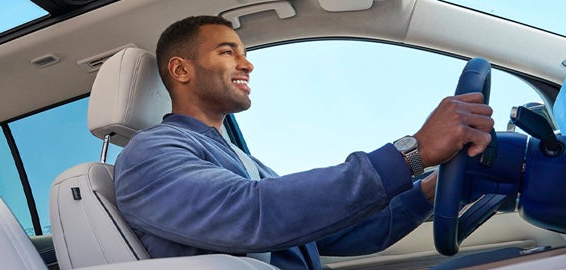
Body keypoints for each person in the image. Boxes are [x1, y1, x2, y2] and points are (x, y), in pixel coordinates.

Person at [114, 15, 494, 270]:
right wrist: (414, 151)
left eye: (245, 54)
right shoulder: (149, 155)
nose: (248, 65)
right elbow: (253, 213)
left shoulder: (242, 162)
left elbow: (338, 231)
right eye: (228, 52)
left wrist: (430, 188)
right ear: (181, 69)